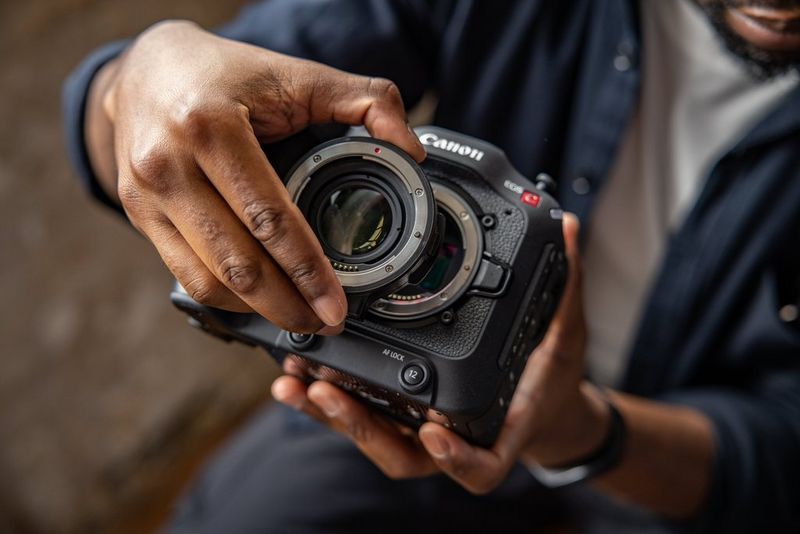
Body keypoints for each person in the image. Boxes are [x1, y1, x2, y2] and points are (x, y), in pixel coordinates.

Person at [63, 0, 800, 532]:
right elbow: (195, 103)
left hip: (660, 464)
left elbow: (781, 460)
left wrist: (577, 430)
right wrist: (141, 79)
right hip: (400, 389)